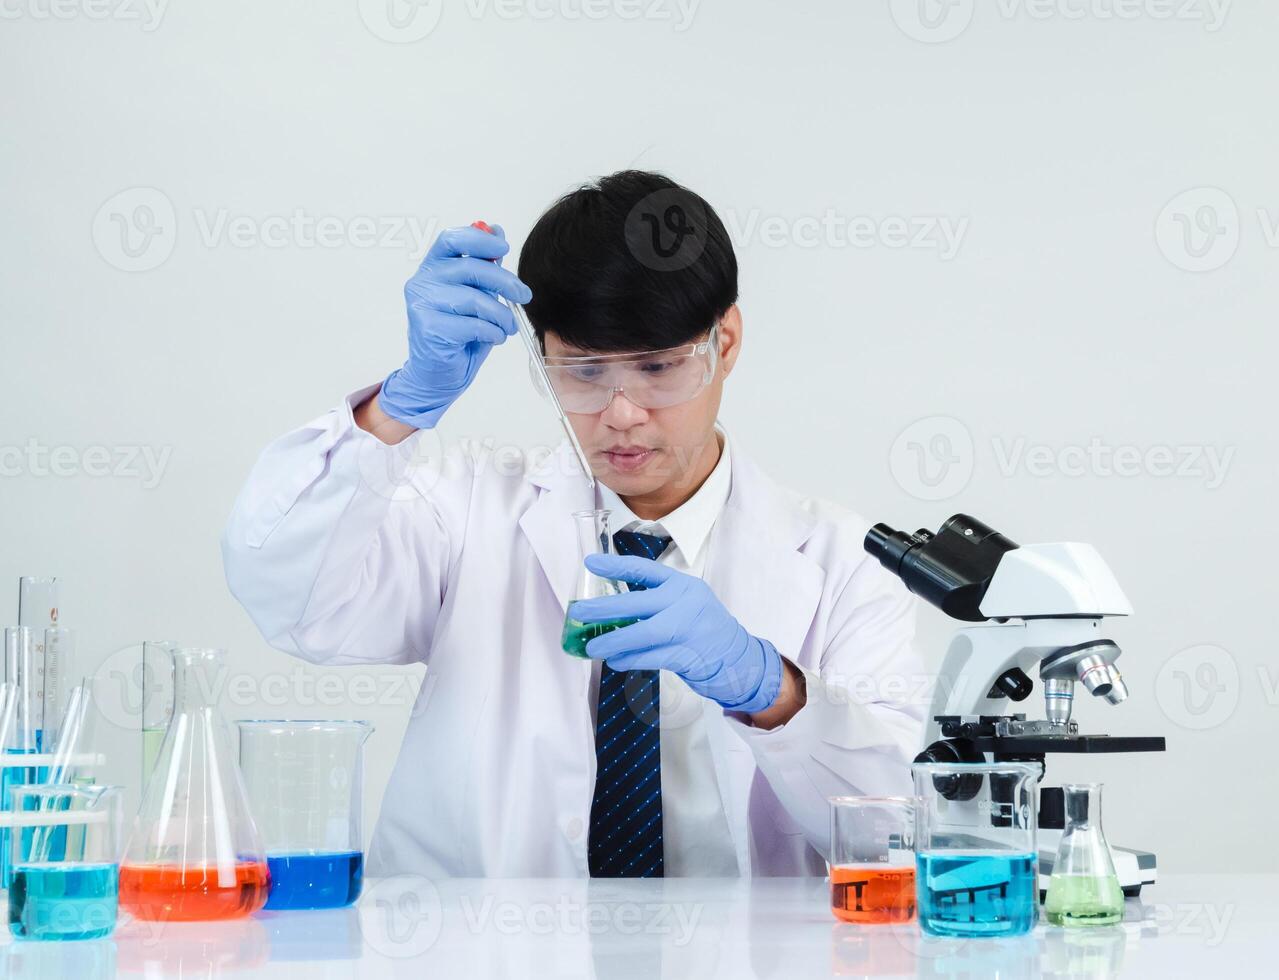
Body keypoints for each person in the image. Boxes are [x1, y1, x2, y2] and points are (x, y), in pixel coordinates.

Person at [222, 170, 925, 878]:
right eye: (583, 371)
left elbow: (897, 830)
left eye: (656, 367)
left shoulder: (842, 562)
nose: (620, 413)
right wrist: (399, 407)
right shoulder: (462, 513)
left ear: (726, 342)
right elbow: (288, 593)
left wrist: (771, 690)